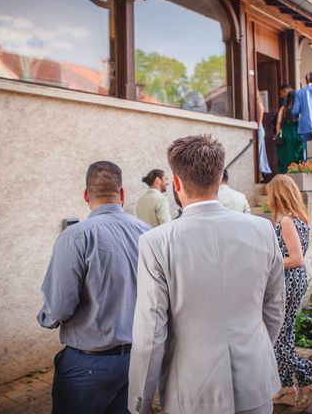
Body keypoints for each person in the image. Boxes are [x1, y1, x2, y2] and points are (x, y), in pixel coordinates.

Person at [128, 135, 285, 414]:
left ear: (176, 184)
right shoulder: (263, 230)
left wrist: (139, 402)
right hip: (256, 381)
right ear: (219, 177)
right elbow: (274, 309)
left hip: (190, 391)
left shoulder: (156, 242)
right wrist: (254, 351)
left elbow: (151, 334)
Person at [37, 162, 150, 414]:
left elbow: (58, 307)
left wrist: (45, 318)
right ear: (122, 194)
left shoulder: (75, 236)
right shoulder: (147, 232)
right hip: (138, 360)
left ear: (86, 195)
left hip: (89, 364)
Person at [266, 175, 312, 409]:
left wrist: (268, 262)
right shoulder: (299, 218)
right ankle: (288, 388)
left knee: (280, 337)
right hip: (294, 281)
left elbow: (296, 259)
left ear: (277, 195)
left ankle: (305, 381)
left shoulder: (287, 221)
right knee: (284, 336)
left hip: (289, 281)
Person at [276, 91, 305, 173]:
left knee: (286, 155)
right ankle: (297, 171)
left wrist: (278, 133)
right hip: (297, 133)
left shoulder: (283, 108)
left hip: (286, 133)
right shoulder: (298, 108)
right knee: (298, 153)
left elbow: (278, 122)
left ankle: (286, 172)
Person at [256, 93, 272, 180]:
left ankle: (260, 174)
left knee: (259, 153)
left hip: (258, 130)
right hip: (259, 130)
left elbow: (258, 121)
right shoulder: (257, 105)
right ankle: (259, 175)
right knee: (259, 153)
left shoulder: (259, 105)